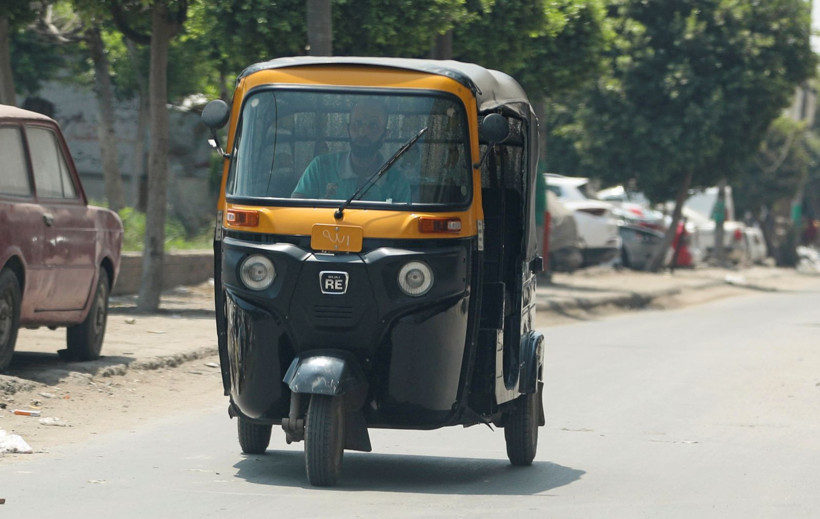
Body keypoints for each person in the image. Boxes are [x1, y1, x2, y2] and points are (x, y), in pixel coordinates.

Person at [291, 100, 411, 202]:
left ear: (386, 134)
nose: (363, 131)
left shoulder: (398, 182)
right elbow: (296, 210)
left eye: (373, 125)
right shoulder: (320, 167)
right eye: (357, 123)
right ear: (347, 128)